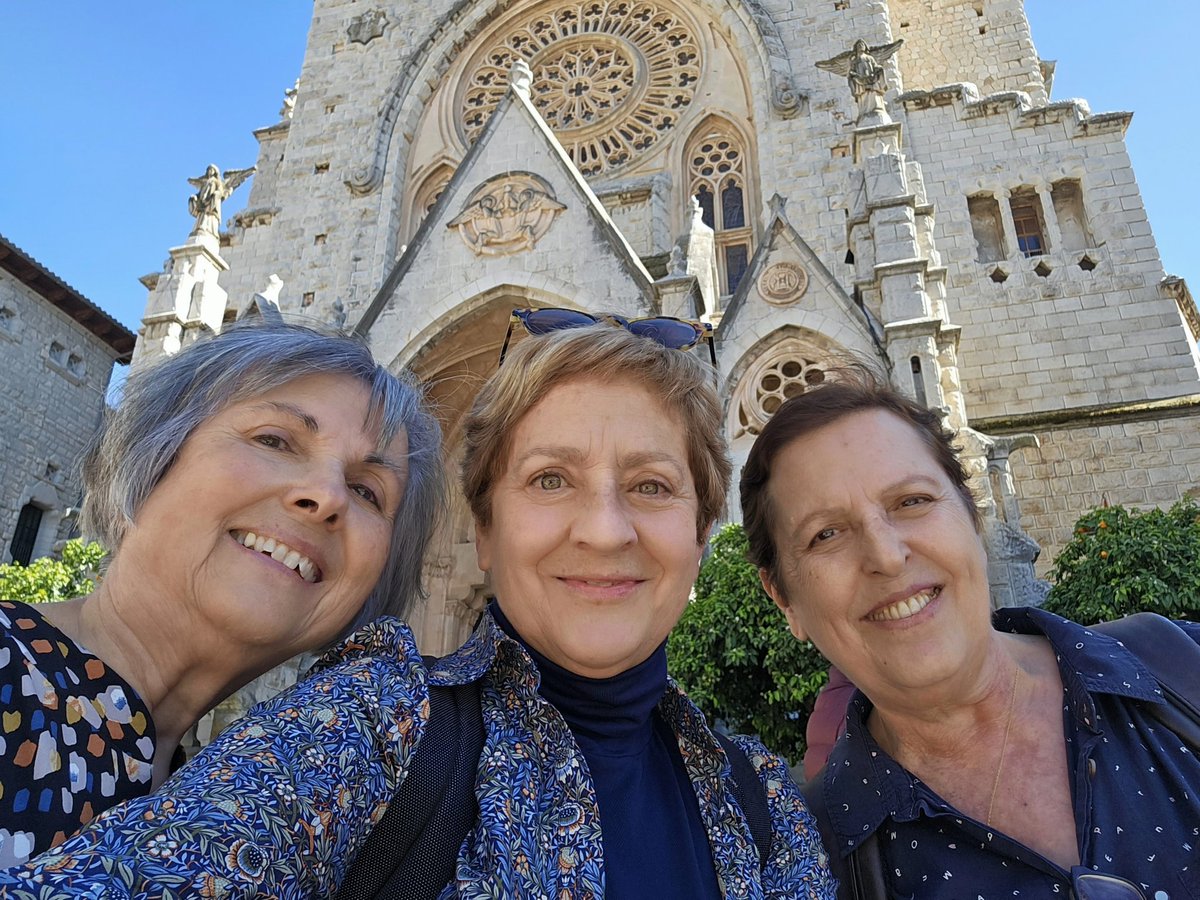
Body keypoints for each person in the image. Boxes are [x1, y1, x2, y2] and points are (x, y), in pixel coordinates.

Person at [1, 314, 836, 899]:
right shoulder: (377, 717)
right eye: (550, 478)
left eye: (652, 486)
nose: (605, 528)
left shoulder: (763, 801)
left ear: (702, 534)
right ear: (481, 529)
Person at [739, 365, 1200, 898]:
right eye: (825, 534)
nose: (887, 557)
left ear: (972, 515)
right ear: (784, 599)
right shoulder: (812, 868)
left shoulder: (1182, 668)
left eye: (912, 501)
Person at [0, 320, 441, 869]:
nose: (327, 496)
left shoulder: (229, 804)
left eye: (366, 491)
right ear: (152, 456)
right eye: (274, 440)